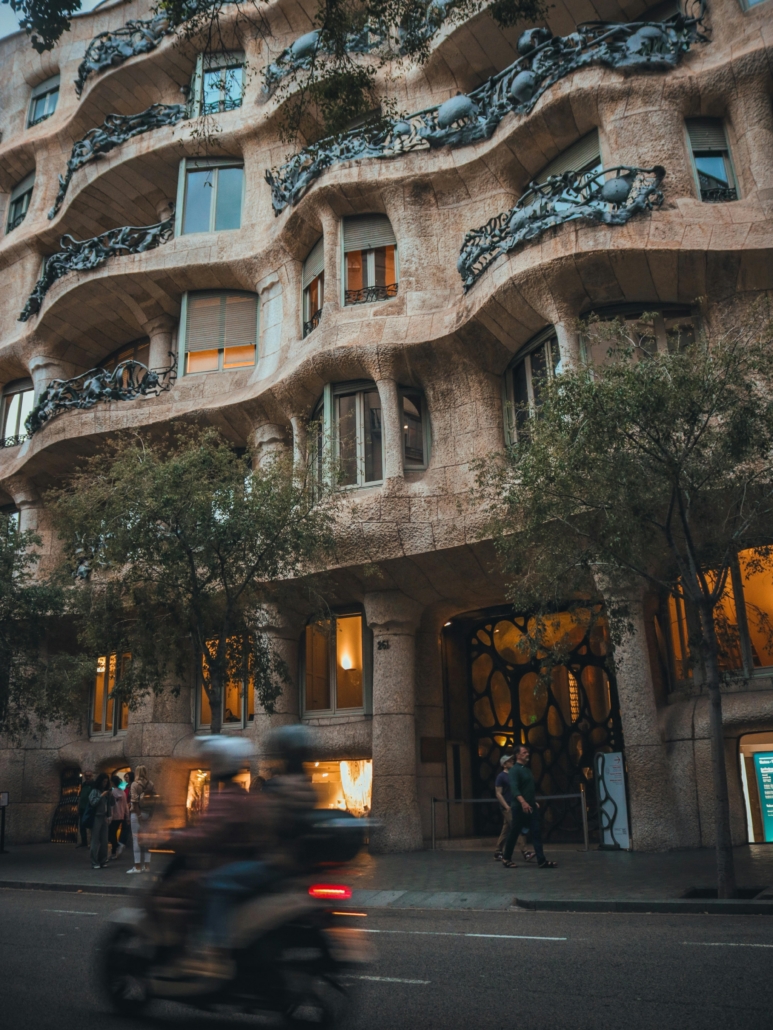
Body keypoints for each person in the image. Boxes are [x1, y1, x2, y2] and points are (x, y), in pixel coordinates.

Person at [502, 745, 557, 870]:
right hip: (519, 807)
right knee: (514, 832)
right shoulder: (514, 770)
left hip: (530, 806)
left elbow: (528, 789)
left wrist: (532, 802)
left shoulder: (526, 770)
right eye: (524, 752)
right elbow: (515, 789)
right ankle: (506, 858)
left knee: (536, 831)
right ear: (518, 755)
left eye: (527, 752)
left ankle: (541, 860)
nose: (527, 754)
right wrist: (523, 802)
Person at [494, 755, 533, 862]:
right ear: (504, 764)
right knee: (517, 827)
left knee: (506, 829)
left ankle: (498, 851)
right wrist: (506, 806)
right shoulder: (501, 776)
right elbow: (498, 793)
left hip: (515, 805)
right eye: (509, 761)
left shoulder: (513, 775)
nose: (512, 761)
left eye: (511, 760)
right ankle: (525, 852)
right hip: (507, 806)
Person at [127, 765, 155, 874]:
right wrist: (150, 816)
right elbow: (154, 801)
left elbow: (134, 802)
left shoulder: (134, 784)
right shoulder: (151, 784)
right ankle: (147, 866)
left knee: (136, 840)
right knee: (147, 840)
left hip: (136, 814)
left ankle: (137, 866)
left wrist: (139, 816)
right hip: (148, 813)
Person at [89, 772, 114, 869]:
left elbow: (111, 804)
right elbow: (93, 803)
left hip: (104, 817)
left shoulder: (106, 791)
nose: (105, 784)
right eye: (103, 782)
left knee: (104, 840)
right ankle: (94, 861)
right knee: (95, 840)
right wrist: (101, 796)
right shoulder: (94, 791)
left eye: (106, 782)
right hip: (96, 816)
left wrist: (110, 795)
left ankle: (102, 860)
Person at [109, 774, 129, 860]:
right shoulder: (123, 793)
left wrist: (110, 816)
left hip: (114, 816)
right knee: (113, 834)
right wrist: (127, 816)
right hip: (121, 815)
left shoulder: (112, 792)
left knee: (110, 834)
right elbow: (125, 805)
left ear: (112, 782)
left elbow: (111, 806)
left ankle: (117, 846)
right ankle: (114, 853)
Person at [76, 770, 94, 848]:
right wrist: (78, 806)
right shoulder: (83, 784)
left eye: (89, 776)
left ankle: (92, 842)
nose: (88, 777)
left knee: (90, 826)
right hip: (82, 807)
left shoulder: (93, 785)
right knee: (82, 825)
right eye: (86, 776)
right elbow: (81, 796)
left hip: (89, 808)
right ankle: (84, 842)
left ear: (92, 776)